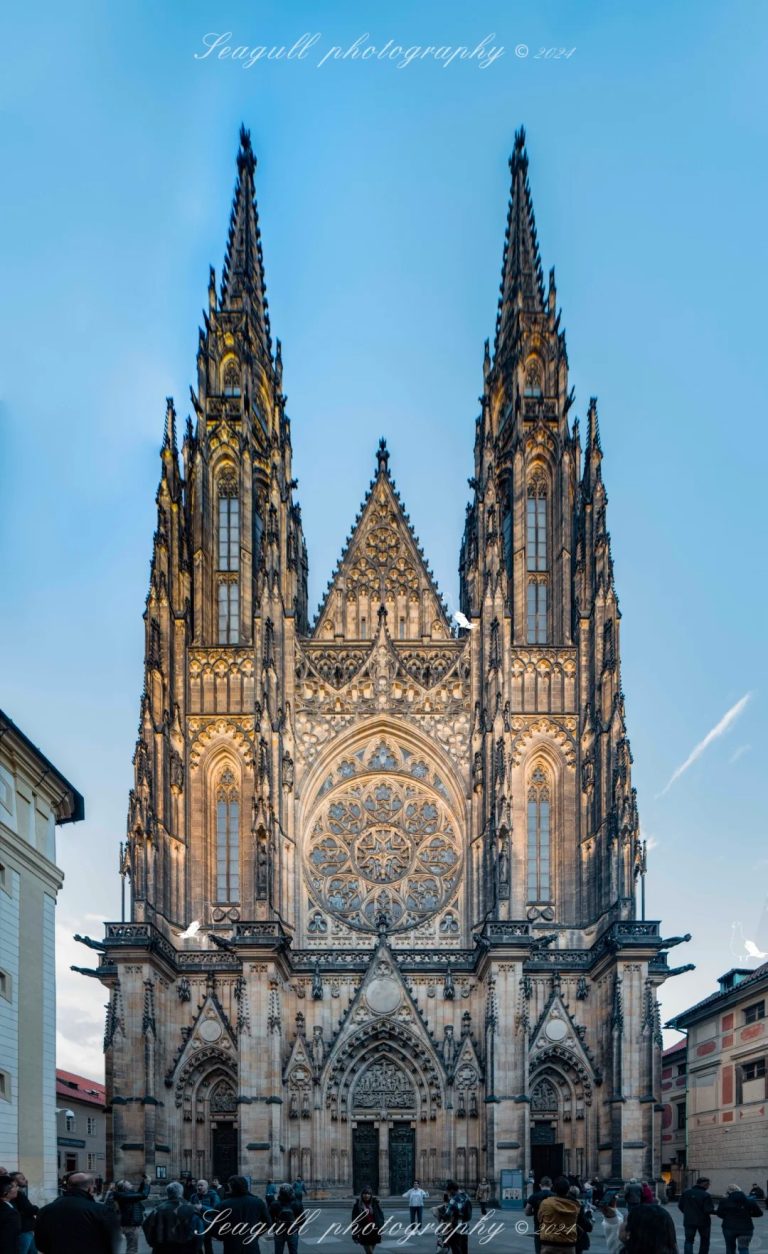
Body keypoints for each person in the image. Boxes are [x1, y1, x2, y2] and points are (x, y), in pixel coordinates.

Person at [35, 1172, 119, 1254]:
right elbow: (113, 1243)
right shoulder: (103, 1211)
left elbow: (40, 1244)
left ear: (68, 1187)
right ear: (90, 1188)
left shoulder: (45, 1210)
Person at [213, 1176, 269, 1254]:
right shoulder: (258, 1202)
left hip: (231, 1246)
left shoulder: (222, 1205)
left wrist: (224, 1237)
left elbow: (214, 1227)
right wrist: (256, 1234)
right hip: (251, 1245)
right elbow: (268, 1223)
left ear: (231, 1187)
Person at [143, 1181, 202, 1254]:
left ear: (168, 1193)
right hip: (186, 1248)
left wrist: (153, 1244)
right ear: (181, 1192)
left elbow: (146, 1225)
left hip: (162, 1249)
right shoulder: (191, 1209)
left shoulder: (158, 1209)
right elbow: (199, 1232)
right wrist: (197, 1249)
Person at [536, 1175, 581, 1253]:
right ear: (568, 1190)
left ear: (554, 1189)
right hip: (568, 1244)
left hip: (549, 1243)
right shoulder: (575, 1205)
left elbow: (540, 1219)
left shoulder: (546, 1203)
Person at [107, 1175, 150, 1254]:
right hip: (130, 1225)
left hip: (129, 1224)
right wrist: (147, 1184)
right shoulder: (123, 1195)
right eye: (128, 1183)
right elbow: (143, 1195)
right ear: (124, 1187)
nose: (131, 1184)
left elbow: (138, 1194)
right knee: (132, 1249)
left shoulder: (125, 1195)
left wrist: (143, 1183)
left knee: (130, 1247)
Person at [716, 1185, 763, 1254]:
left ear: (729, 1192)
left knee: (730, 1248)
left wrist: (727, 1217)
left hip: (729, 1227)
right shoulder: (750, 1201)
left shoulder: (724, 1201)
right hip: (746, 1228)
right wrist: (749, 1215)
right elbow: (759, 1213)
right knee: (743, 1248)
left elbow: (719, 1213)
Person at [678, 1177, 714, 1254]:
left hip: (689, 1220)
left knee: (689, 1240)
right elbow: (708, 1210)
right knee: (705, 1241)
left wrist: (687, 1213)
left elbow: (680, 1206)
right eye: (708, 1185)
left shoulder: (686, 1193)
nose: (708, 1186)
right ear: (704, 1184)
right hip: (703, 1222)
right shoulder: (706, 1195)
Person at [269, 1184, 304, 1254]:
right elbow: (302, 1219)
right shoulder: (297, 1203)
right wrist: (296, 1226)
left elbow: (269, 1218)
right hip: (292, 1230)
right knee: (293, 1251)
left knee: (278, 1251)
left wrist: (275, 1226)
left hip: (279, 1230)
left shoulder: (274, 1204)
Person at [10, 1171, 39, 1254]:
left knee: (32, 1251)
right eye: (22, 1179)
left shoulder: (20, 1193)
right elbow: (29, 1209)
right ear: (15, 1182)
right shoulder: (18, 1194)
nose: (25, 1180)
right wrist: (36, 1208)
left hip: (27, 1229)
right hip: (24, 1230)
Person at [351, 1187, 385, 1254]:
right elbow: (354, 1221)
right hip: (364, 1231)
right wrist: (354, 1235)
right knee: (369, 1252)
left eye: (368, 1194)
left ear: (371, 1195)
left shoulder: (375, 1204)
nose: (366, 1195)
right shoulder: (357, 1206)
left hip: (374, 1230)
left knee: (370, 1251)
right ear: (362, 1195)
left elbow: (380, 1216)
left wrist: (380, 1226)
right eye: (365, 1194)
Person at [525, 1176, 553, 1254]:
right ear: (551, 1185)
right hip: (553, 1227)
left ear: (540, 1185)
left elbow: (527, 1212)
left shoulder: (534, 1196)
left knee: (539, 1250)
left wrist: (534, 1213)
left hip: (539, 1227)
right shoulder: (555, 1196)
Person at [192, 1180, 221, 1254]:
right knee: (196, 1244)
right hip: (196, 1223)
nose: (199, 1187)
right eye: (198, 1185)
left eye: (201, 1185)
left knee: (207, 1243)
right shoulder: (193, 1196)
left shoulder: (213, 1195)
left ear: (207, 1186)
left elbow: (216, 1209)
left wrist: (202, 1207)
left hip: (207, 1223)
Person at [443, 1181, 472, 1254]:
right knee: (464, 1245)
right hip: (465, 1224)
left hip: (456, 1226)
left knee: (454, 1245)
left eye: (449, 1191)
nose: (448, 1193)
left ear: (452, 1190)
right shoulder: (466, 1196)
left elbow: (447, 1214)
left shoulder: (454, 1199)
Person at [567, 1186, 592, 1254]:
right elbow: (582, 1221)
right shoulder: (578, 1205)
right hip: (576, 1236)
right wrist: (589, 1225)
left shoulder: (562, 1202)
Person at [0, 1177, 21, 1254]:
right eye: (15, 1186)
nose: (17, 1188)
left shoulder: (9, 1206)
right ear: (5, 1192)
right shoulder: (8, 1212)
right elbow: (9, 1240)